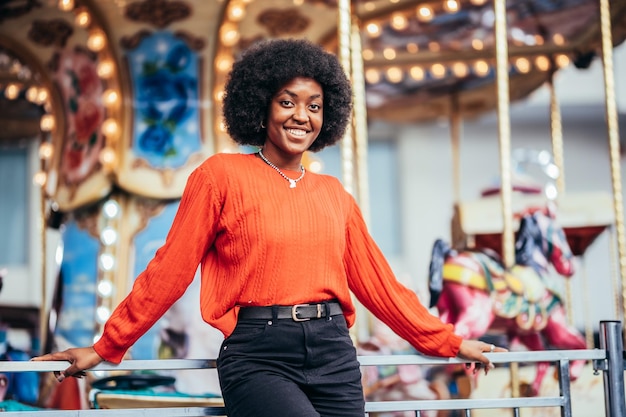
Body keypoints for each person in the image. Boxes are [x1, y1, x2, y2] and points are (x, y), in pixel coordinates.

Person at [34, 38, 505, 417]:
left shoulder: (333, 195)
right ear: (260, 106)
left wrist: (449, 341)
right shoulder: (219, 176)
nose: (302, 116)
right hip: (259, 355)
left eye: (315, 106)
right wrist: (106, 347)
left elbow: (381, 287)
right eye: (288, 102)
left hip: (333, 352)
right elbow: (169, 271)